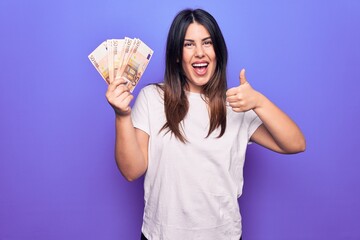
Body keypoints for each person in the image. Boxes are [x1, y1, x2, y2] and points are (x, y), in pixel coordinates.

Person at [106, 8, 306, 240]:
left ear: (217, 52)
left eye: (207, 43)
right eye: (189, 44)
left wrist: (259, 102)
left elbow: (296, 143)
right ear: (177, 55)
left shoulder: (235, 105)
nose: (199, 52)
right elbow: (131, 171)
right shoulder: (152, 98)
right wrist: (122, 115)